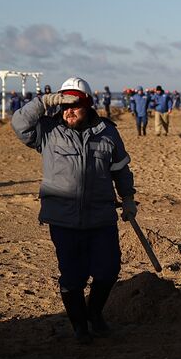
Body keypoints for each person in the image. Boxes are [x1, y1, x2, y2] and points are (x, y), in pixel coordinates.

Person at [12, 76, 136, 344]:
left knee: (108, 270)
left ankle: (94, 313)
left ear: (88, 105)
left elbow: (120, 169)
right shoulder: (47, 130)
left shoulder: (108, 131)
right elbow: (19, 124)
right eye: (64, 104)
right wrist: (45, 102)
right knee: (73, 276)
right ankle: (80, 326)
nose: (68, 110)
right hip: (63, 219)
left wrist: (128, 198)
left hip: (101, 217)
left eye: (75, 105)